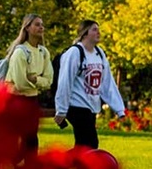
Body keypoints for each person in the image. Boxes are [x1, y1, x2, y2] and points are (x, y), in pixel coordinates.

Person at [53, 20, 126, 150]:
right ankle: (59, 164)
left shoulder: (99, 53)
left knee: (85, 145)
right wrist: (62, 109)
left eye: (98, 29)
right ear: (84, 33)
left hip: (91, 107)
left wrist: (119, 108)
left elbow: (107, 82)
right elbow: (65, 81)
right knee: (89, 143)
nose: (98, 32)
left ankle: (58, 164)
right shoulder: (74, 53)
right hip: (76, 106)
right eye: (94, 29)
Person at [3, 13, 53, 155]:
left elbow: (48, 80)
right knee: (18, 139)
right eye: (37, 24)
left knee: (31, 139)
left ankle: (30, 168)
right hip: (17, 100)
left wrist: (35, 80)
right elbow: (20, 83)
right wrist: (37, 81)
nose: (41, 27)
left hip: (32, 100)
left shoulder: (43, 52)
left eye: (42, 25)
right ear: (27, 28)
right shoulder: (20, 53)